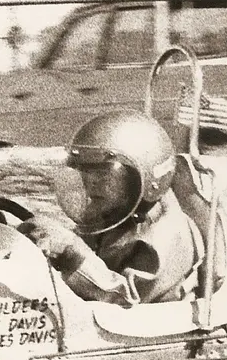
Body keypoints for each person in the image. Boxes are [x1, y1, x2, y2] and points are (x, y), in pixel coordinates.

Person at [18, 111, 203, 306]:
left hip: (149, 329)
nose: (91, 184)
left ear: (142, 180)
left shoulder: (165, 234)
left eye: (104, 173)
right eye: (86, 172)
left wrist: (71, 250)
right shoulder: (114, 212)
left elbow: (125, 301)